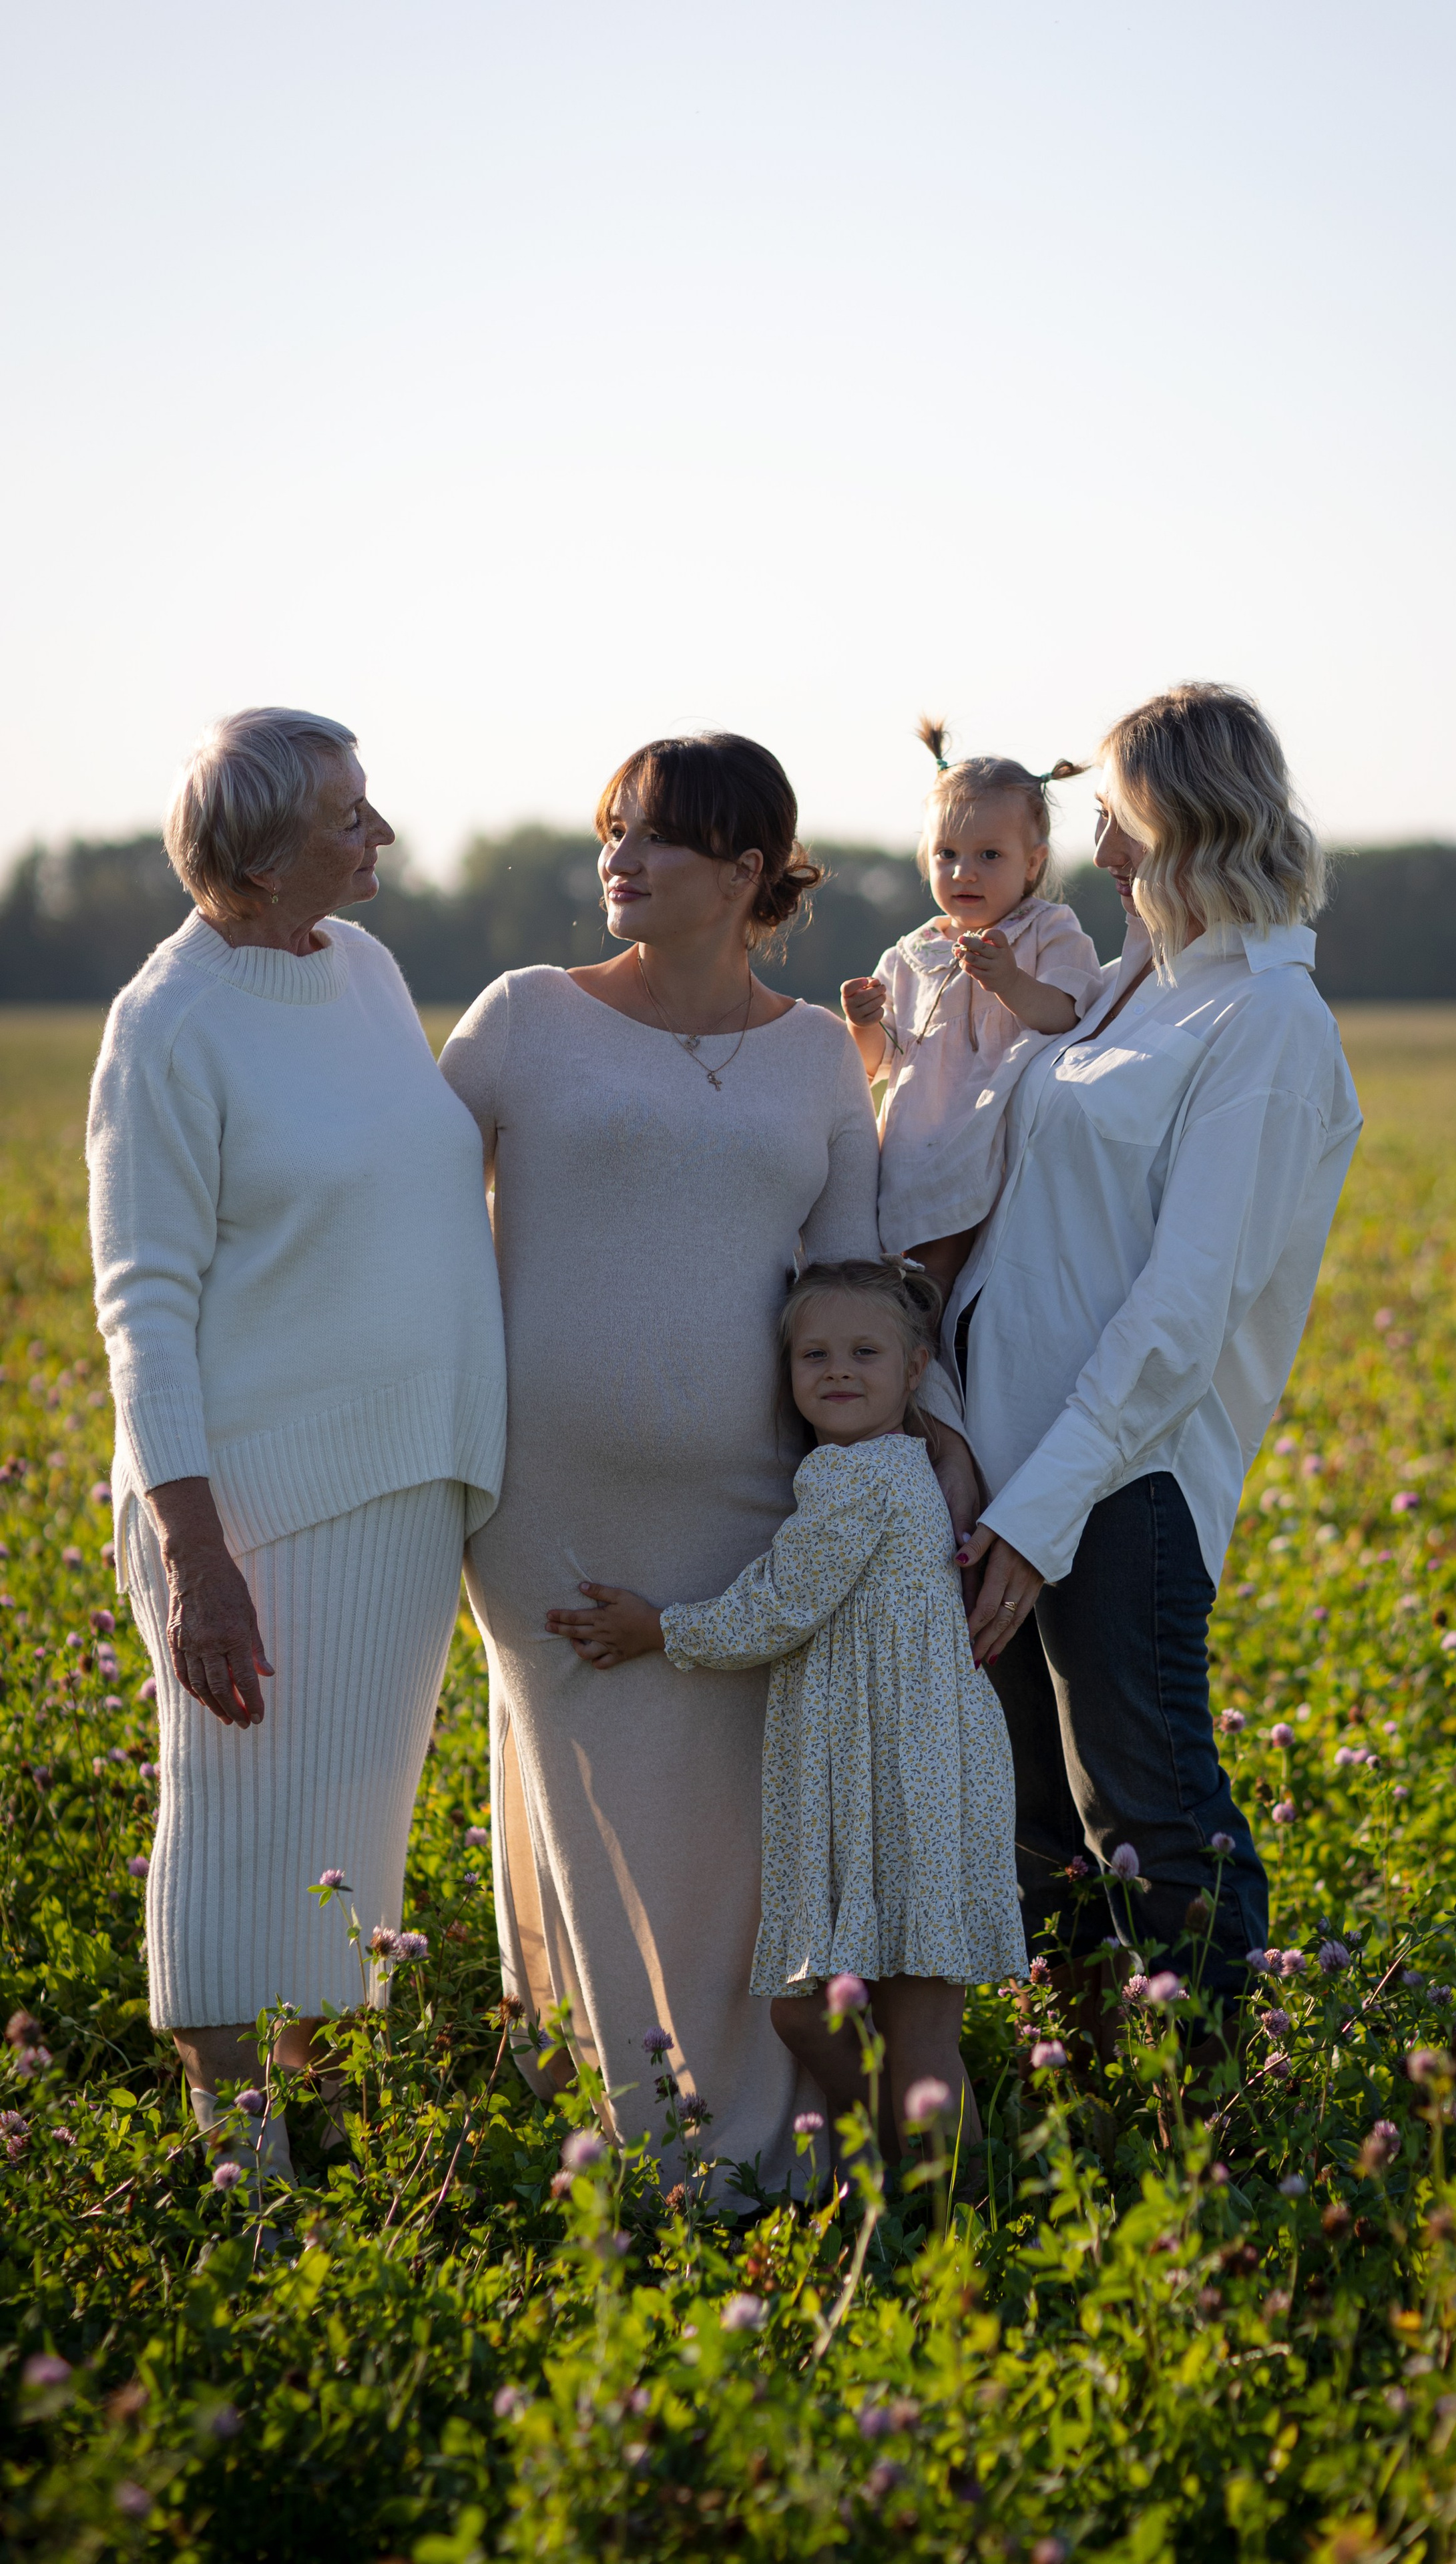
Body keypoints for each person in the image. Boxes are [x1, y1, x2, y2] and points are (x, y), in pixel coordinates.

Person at [440, 734, 973, 2206]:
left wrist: (937, 1442)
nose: (618, 858)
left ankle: (774, 2144)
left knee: (742, 1839)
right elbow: (402, 1217)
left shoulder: (811, 1055)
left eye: (656, 836)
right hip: (545, 1505)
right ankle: (667, 2145)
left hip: (751, 1508)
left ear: (745, 872)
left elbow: (857, 1283)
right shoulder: (522, 1017)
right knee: (601, 1812)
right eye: (612, 829)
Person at [87, 708, 506, 2189]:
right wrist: (196, 1555)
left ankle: (319, 2162)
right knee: (235, 1842)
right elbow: (142, 1302)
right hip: (252, 1513)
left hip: (401, 1493)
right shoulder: (170, 1024)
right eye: (348, 815)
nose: (380, 832)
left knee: (345, 1845)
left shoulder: (367, 970)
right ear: (261, 862)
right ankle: (243, 2179)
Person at [949, 684, 1363, 2058]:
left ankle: (1221, 2123)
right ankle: (1081, 2094)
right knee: (1037, 1827)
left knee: (1151, 1821)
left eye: (1120, 820)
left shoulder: (1269, 1022)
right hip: (1008, 1461)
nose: (1100, 852)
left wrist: (1039, 1513)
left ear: (1192, 823)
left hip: (1123, 1482)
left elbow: (1184, 1312)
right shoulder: (1137, 981)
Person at [551, 1257, 1026, 2167]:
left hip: (906, 1784)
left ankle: (955, 2211)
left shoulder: (859, 1479)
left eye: (864, 1352)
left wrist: (658, 1628)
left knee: (890, 2029)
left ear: (915, 1369)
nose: (838, 1369)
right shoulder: (899, 1469)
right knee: (836, 2020)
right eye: (815, 1354)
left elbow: (779, 1607)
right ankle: (920, 2183)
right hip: (914, 1775)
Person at [840, 718, 1105, 1297]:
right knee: (910, 1274)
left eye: (989, 854)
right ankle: (913, 1337)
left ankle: (933, 1334)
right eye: (947, 854)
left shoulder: (1047, 930)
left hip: (1001, 1132)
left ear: (1032, 863)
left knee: (967, 1279)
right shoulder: (910, 953)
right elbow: (876, 1063)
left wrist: (1009, 981)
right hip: (921, 1139)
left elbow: (1067, 1015)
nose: (964, 872)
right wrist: (863, 1023)